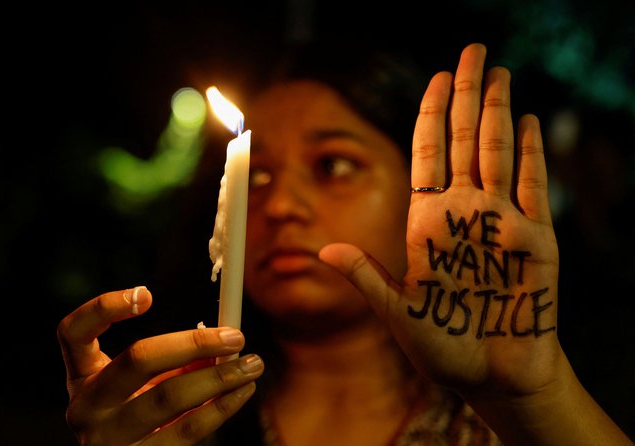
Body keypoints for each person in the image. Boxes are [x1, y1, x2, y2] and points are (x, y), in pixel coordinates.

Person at [56, 42, 633, 445]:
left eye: (333, 164)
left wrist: (535, 398)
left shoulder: (533, 411)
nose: (279, 205)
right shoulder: (172, 418)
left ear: (421, 184)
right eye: (255, 177)